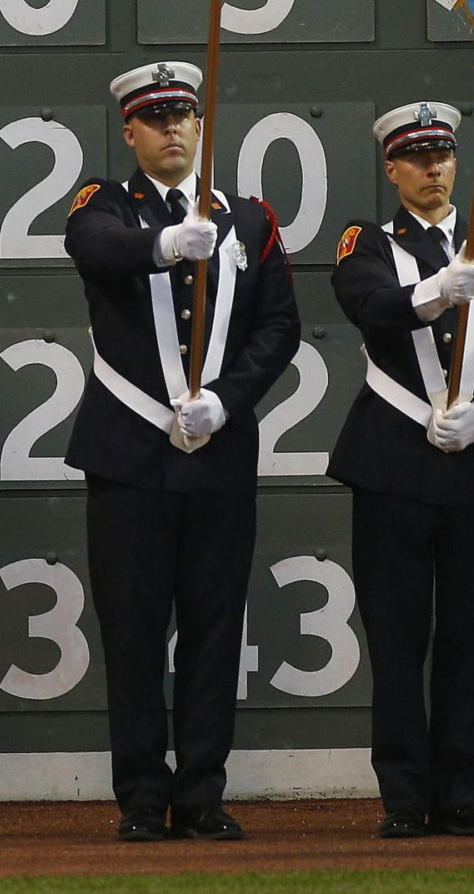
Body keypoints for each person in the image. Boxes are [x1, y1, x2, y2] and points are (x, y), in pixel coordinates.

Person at [63, 61, 299, 843]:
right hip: (130, 456)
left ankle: (201, 792)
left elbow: (280, 327)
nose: (172, 129)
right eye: (155, 118)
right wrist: (164, 243)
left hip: (218, 454)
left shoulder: (250, 220)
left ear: (201, 126)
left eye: (183, 116)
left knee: (213, 629)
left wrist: (227, 398)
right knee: (132, 634)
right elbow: (93, 249)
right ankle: (140, 795)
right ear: (129, 130)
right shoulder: (106, 204)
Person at [328, 101, 474, 838]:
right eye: (417, 158)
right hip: (392, 465)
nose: (433, 169)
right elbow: (367, 304)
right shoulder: (368, 241)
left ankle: (459, 789)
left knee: (470, 637)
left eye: (443, 156)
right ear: (392, 168)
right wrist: (433, 293)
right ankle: (403, 795)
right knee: (397, 641)